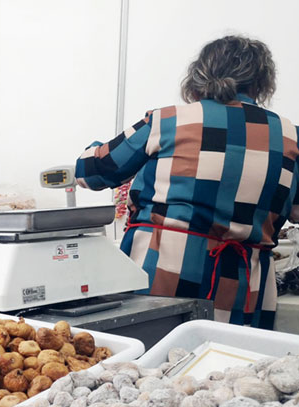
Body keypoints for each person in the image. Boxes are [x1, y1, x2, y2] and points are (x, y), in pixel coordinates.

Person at [75, 35, 299, 329]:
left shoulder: (166, 121)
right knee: (233, 368)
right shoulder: (290, 137)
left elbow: (89, 172)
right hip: (245, 285)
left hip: (164, 274)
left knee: (151, 364)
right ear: (261, 82)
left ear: (199, 73)